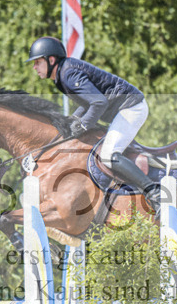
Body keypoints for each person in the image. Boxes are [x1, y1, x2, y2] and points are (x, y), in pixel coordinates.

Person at [27, 36, 161, 216]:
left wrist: (82, 125)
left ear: (51, 60)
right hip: (121, 109)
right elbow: (87, 101)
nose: (34, 67)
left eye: (37, 62)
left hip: (132, 108)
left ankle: (154, 192)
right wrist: (72, 119)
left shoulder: (68, 73)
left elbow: (98, 102)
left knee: (108, 155)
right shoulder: (62, 74)